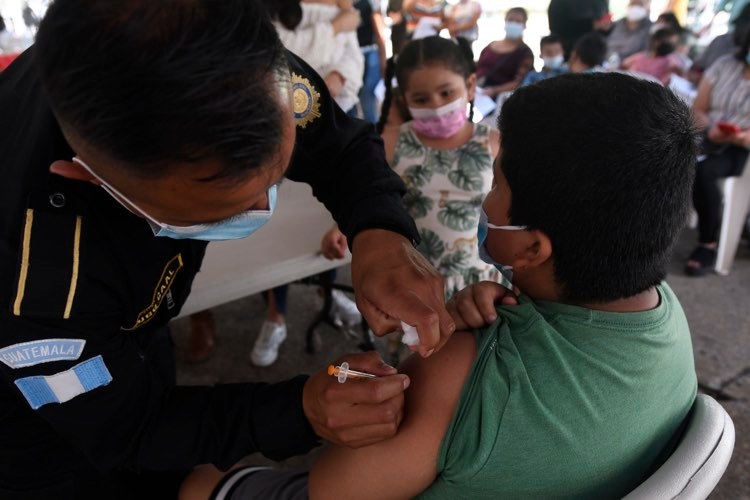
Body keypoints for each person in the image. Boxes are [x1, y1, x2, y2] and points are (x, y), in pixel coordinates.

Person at [0, 0, 460, 497]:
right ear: (88, 176)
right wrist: (300, 410)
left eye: (276, 173)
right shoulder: (39, 287)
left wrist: (380, 233)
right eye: (220, 209)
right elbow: (131, 428)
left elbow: (341, 147)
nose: (262, 209)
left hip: (139, 330)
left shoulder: (236, 63)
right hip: (35, 420)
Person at [180, 71, 698, 500]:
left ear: (532, 248)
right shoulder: (665, 315)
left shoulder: (459, 366)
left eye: (496, 183)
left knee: (197, 482)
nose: (485, 199)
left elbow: (332, 490)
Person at [685, 28, 750, 276]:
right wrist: (711, 128)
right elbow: (699, 108)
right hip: (711, 136)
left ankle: (708, 242)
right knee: (666, 154)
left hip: (741, 150)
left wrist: (744, 137)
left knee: (704, 171)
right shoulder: (724, 65)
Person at [475, 7, 534, 98]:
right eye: (510, 20)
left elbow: (520, 81)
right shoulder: (491, 45)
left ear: (524, 25)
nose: (513, 24)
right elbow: (478, 67)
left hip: (499, 99)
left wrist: (495, 91)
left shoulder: (525, 53)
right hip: (477, 91)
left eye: (518, 22)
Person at [689, 4, 750, 85]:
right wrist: (696, 74)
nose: (740, 30)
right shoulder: (722, 40)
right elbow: (697, 66)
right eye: (739, 25)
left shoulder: (744, 61)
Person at [354, 0, 388, 124]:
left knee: (367, 99)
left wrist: (383, 60)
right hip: (350, 56)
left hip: (368, 53)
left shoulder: (371, 3)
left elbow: (380, 34)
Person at [606, 0, 653, 64]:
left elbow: (648, 53)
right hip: (608, 62)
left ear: (647, 8)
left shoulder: (651, 28)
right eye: (633, 4)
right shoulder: (616, 24)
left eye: (640, 4)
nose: (635, 7)